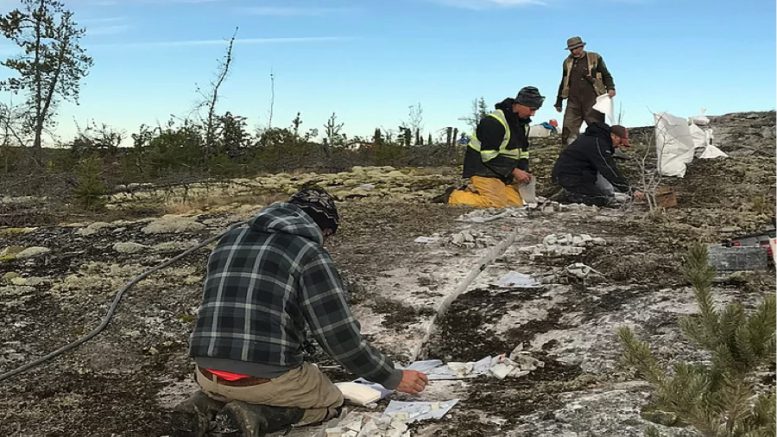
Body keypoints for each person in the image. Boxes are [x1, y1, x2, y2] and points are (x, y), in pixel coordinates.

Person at [174, 187, 428, 436]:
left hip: (206, 373)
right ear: (324, 229)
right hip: (264, 379)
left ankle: (204, 405)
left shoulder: (229, 239)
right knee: (330, 400)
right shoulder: (309, 253)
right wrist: (391, 377)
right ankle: (256, 416)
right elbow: (340, 338)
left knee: (234, 383)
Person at [441, 86, 544, 208]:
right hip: (483, 170)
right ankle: (453, 196)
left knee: (515, 204)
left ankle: (476, 192)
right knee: (496, 204)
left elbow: (523, 151)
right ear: (520, 104)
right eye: (531, 109)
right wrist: (514, 171)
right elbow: (488, 156)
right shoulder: (494, 121)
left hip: (504, 173)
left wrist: (523, 171)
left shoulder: (523, 125)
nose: (533, 114)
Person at [551, 123, 644, 207]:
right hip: (569, 177)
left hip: (579, 176)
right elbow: (608, 170)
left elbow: (602, 172)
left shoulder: (598, 140)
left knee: (603, 196)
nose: (619, 146)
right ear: (613, 136)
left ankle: (571, 191)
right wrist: (630, 190)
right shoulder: (598, 144)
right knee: (599, 199)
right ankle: (567, 194)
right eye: (620, 142)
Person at [554, 36, 616, 147]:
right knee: (568, 130)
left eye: (576, 48)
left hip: (593, 100)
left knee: (597, 129)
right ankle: (569, 154)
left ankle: (601, 151)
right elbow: (564, 81)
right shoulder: (567, 62)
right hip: (573, 101)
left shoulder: (595, 57)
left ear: (582, 46)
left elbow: (606, 74)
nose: (574, 51)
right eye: (571, 49)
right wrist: (559, 101)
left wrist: (611, 88)